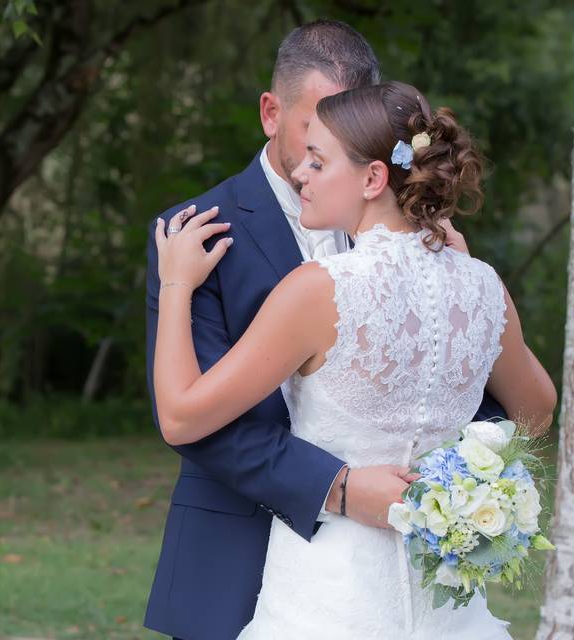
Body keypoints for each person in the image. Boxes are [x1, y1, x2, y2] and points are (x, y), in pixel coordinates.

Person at [143, 20, 520, 640]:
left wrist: (445, 481)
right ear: (271, 112)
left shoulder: (433, 249)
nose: (319, 151)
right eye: (314, 125)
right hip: (233, 556)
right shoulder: (193, 234)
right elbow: (194, 424)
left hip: (400, 565)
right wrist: (339, 489)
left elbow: (472, 389)